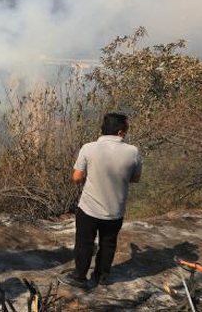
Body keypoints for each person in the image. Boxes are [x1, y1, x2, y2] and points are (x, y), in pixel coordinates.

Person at [62, 113, 142, 289]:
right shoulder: (133, 151)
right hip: (115, 210)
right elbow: (135, 179)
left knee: (84, 243)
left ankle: (79, 276)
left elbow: (76, 177)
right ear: (120, 132)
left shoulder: (88, 148)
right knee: (108, 244)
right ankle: (101, 277)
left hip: (89, 208)